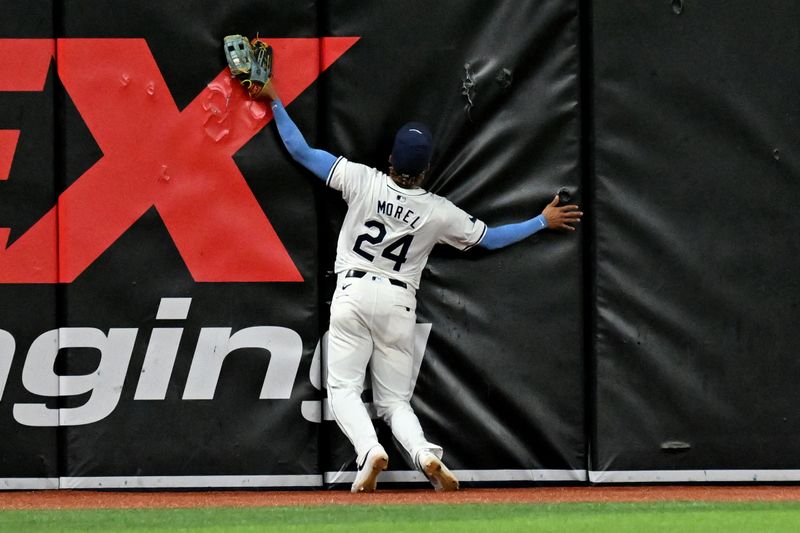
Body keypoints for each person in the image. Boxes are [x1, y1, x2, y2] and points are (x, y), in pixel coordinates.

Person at [258, 80, 582, 493]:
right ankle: (424, 454)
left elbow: (301, 151)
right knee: (394, 403)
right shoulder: (438, 212)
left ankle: (369, 451)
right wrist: (541, 221)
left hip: (353, 294)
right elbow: (489, 239)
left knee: (343, 389)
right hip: (398, 302)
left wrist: (275, 101)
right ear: (425, 169)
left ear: (391, 158)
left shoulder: (363, 180)